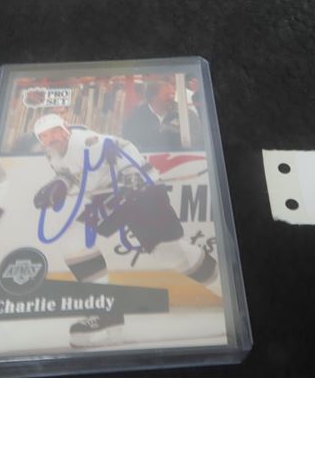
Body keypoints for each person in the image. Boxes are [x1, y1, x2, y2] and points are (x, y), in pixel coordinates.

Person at [32, 113, 218, 348]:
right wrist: (59, 184)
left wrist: (132, 173)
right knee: (74, 242)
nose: (51, 138)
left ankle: (225, 288)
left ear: (65, 128)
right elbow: (69, 173)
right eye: (44, 136)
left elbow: (112, 155)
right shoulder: (53, 154)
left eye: (55, 131)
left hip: (141, 193)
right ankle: (106, 311)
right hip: (110, 197)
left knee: (169, 252)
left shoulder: (88, 141)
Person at [122, 78, 202, 151]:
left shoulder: (187, 115)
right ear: (153, 97)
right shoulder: (136, 117)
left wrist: (176, 138)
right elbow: (129, 145)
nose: (173, 89)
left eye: (173, 93)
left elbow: (198, 142)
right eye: (168, 95)